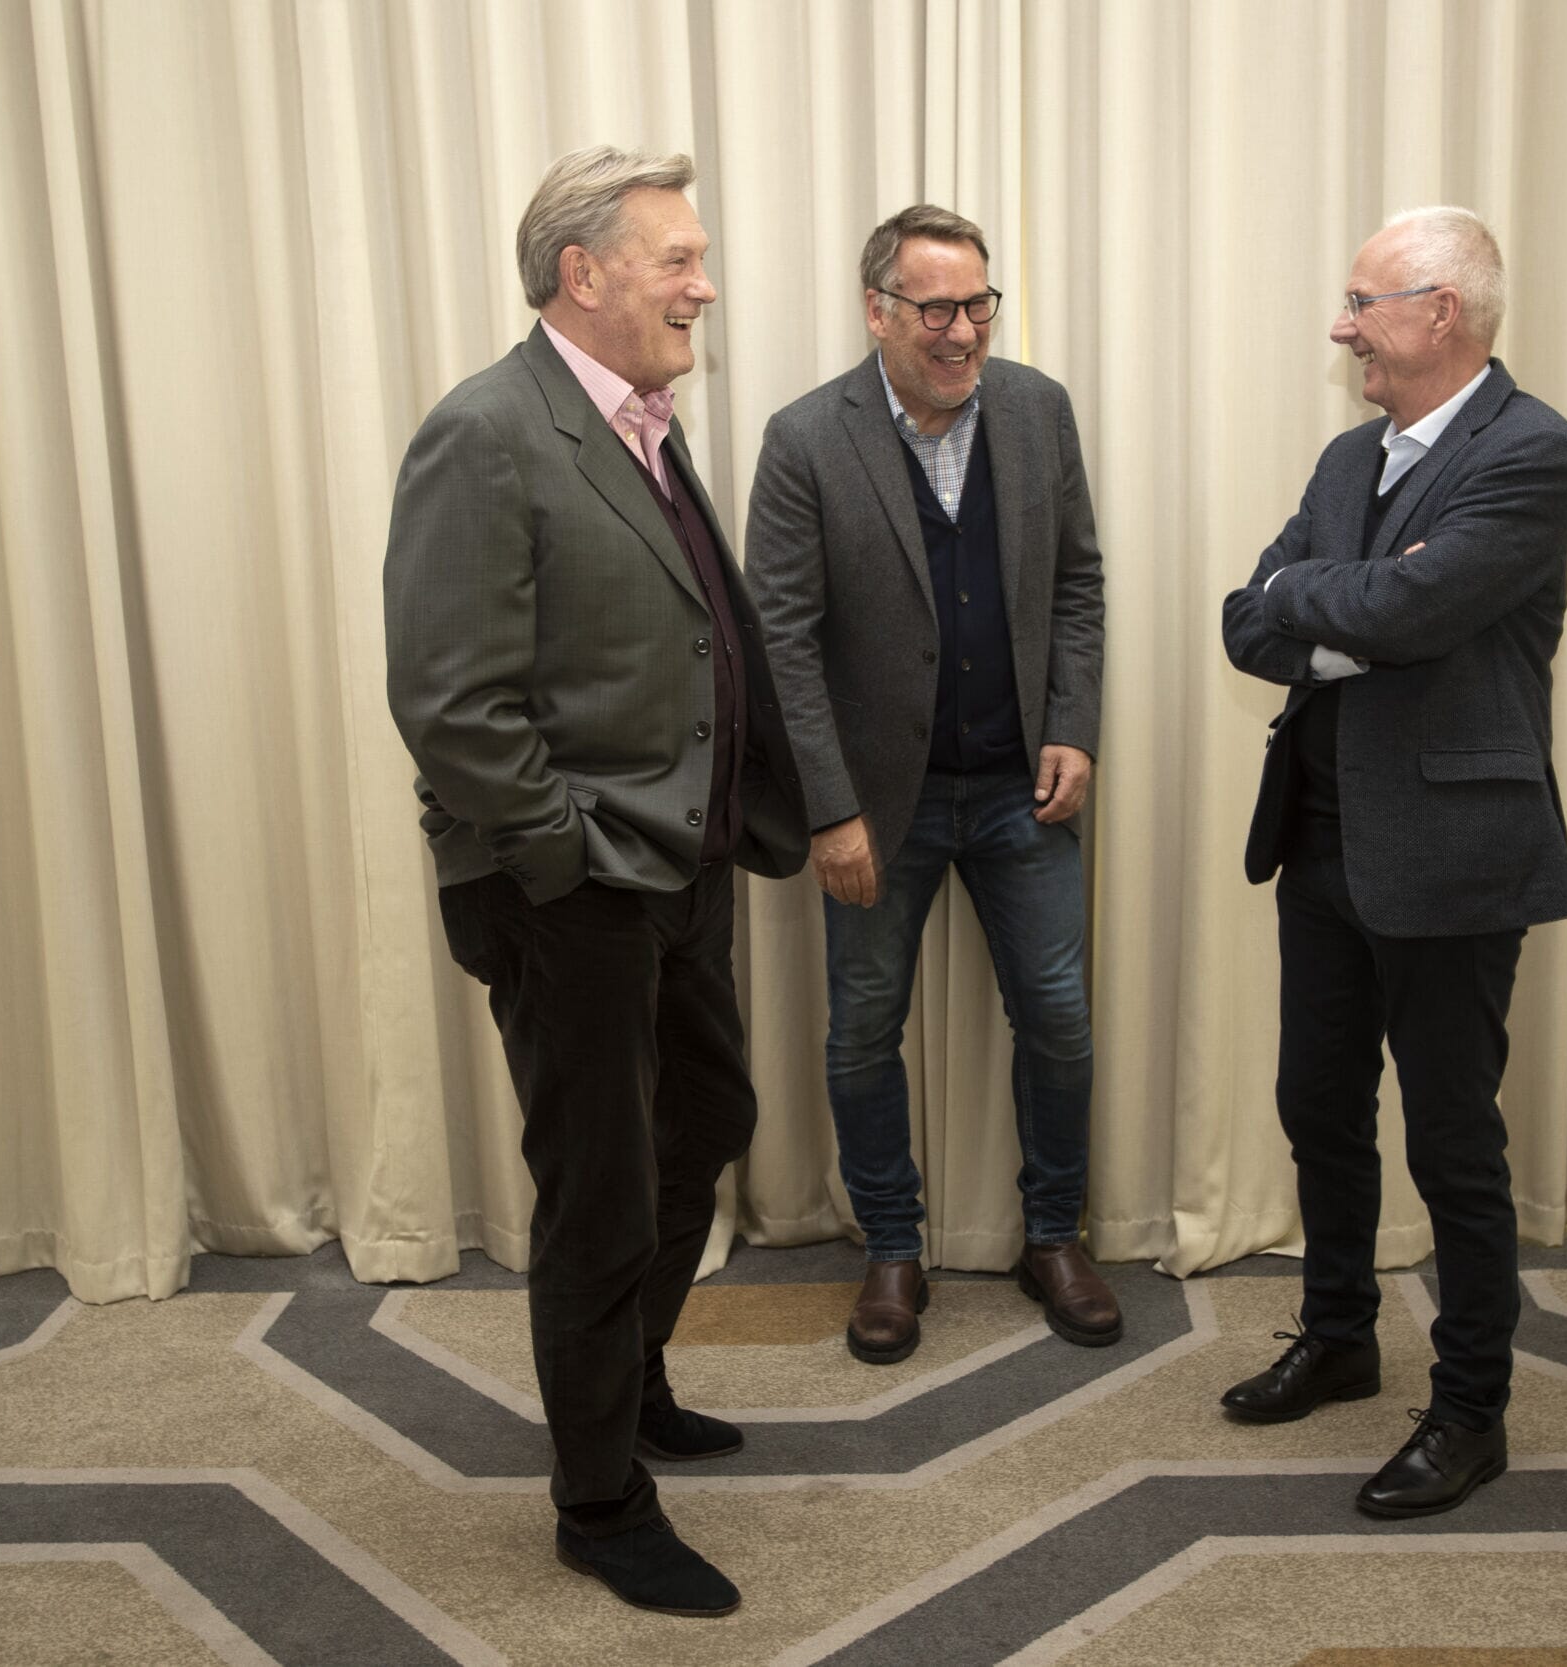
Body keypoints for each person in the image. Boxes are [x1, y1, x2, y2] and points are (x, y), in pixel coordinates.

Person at [383, 145, 808, 1617]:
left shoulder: (636, 419)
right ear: (583, 273)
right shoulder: (486, 432)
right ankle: (601, 1500)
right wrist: (561, 854)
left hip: (676, 861)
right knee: (600, 1190)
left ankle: (631, 1379)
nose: (705, 285)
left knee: (708, 1119)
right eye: (677, 258)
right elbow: (451, 699)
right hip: (572, 883)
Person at [1218, 206, 1567, 1518]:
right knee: (1316, 1104)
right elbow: (1245, 617)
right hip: (1319, 837)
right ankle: (1339, 1334)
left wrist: (1327, 600)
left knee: (1451, 1140)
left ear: (1441, 311)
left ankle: (1472, 1408)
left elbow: (1420, 606)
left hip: (1452, 851)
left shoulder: (1530, 448)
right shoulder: (1346, 456)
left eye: (1362, 303)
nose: (1342, 327)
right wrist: (1341, 606)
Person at [746, 205, 1112, 1367]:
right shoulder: (807, 438)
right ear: (877, 311)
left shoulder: (1039, 410)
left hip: (1019, 788)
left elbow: (1078, 584)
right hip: (876, 806)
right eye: (935, 308)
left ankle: (1051, 1234)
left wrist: (1072, 727)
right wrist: (828, 808)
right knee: (863, 1028)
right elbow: (781, 640)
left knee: (1057, 1016)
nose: (961, 331)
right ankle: (893, 1249)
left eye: (977, 305)